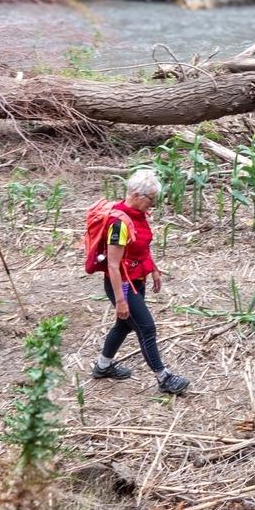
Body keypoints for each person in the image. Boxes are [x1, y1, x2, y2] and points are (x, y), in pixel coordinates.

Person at [91, 168, 189, 395]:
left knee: (124, 325)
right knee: (147, 328)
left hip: (137, 279)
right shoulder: (119, 224)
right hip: (124, 285)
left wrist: (153, 269)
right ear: (135, 194)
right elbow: (113, 266)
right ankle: (164, 378)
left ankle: (103, 366)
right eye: (150, 199)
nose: (152, 205)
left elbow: (141, 246)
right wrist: (121, 300)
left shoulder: (137, 217)